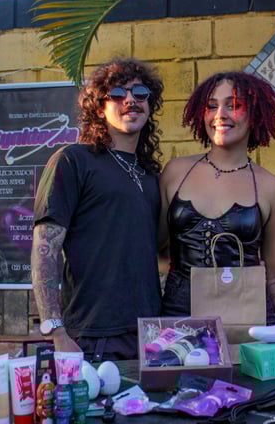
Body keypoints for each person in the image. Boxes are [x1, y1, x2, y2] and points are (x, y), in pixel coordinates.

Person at [31, 58, 164, 362]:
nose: (130, 100)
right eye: (116, 94)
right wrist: (57, 332)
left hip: (149, 337)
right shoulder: (73, 161)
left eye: (140, 93)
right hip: (92, 337)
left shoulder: (151, 175)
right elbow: (44, 250)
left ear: (149, 105)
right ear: (99, 109)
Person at [159, 71, 275, 324]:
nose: (220, 114)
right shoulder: (175, 172)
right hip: (179, 320)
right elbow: (155, 248)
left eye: (234, 105)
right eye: (212, 106)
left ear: (254, 114)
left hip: (249, 324)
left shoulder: (272, 189)